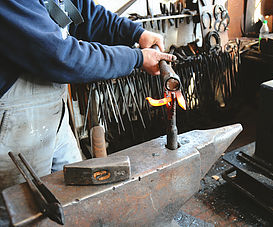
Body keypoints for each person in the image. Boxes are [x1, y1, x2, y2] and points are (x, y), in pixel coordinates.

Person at [0, 0, 175, 192]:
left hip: (54, 118)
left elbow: (82, 12)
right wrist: (136, 58)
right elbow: (59, 56)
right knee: (23, 206)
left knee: (78, 189)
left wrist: (136, 33)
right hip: (14, 123)